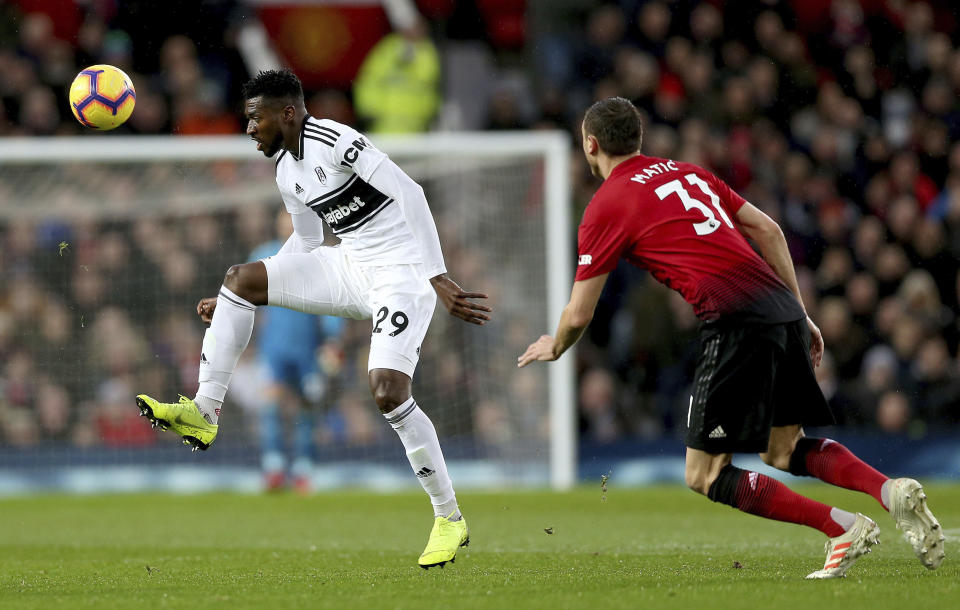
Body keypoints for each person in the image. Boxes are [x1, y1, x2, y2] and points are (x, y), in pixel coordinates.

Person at [518, 97, 944, 579]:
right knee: (783, 449)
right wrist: (801, 315)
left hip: (734, 320)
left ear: (590, 145)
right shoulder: (687, 172)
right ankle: (890, 492)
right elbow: (770, 230)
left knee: (704, 474)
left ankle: (842, 527)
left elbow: (579, 312)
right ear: (637, 139)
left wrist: (556, 345)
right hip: (781, 308)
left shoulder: (606, 204)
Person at [135, 69, 491, 569]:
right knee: (240, 278)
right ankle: (204, 412)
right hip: (349, 265)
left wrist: (437, 276)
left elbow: (410, 193)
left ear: (287, 113)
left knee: (388, 389)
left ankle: (449, 517)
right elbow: (305, 243)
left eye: (255, 118)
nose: (249, 129)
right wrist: (246, 295)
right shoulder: (286, 170)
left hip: (403, 272)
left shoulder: (334, 140)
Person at [248, 211, 346, 494]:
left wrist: (332, 339)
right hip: (274, 348)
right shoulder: (264, 254)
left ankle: (303, 469)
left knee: (308, 407)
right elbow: (247, 302)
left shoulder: (320, 258)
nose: (289, 224)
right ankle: (274, 467)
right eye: (284, 219)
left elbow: (333, 301)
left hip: (308, 350)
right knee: (270, 405)